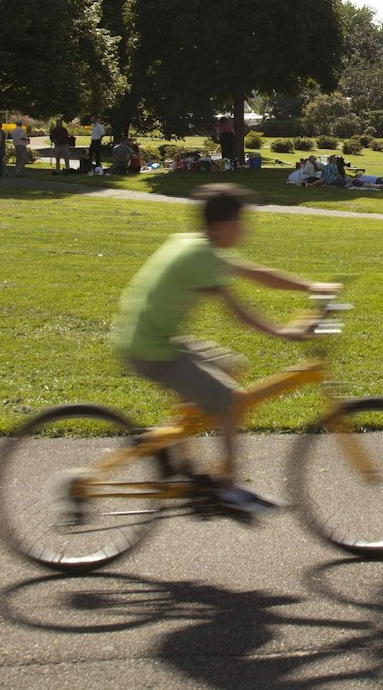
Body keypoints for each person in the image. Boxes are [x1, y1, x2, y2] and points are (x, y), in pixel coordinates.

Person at [116, 183, 337, 516]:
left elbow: (258, 274)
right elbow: (236, 311)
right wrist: (283, 331)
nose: (245, 228)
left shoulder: (200, 246)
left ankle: (181, 455)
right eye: (241, 221)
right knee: (231, 400)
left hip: (152, 338)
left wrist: (312, 286)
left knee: (231, 366)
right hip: (151, 349)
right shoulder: (200, 256)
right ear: (222, 225)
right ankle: (228, 489)